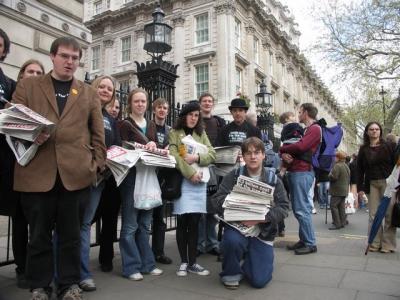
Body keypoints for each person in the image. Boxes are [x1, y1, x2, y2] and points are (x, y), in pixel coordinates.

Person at [12, 36, 106, 300]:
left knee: (71, 236)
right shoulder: (29, 86)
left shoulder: (87, 92)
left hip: (76, 176)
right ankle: (39, 285)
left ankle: (68, 284)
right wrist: (30, 135)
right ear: (52, 56)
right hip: (36, 173)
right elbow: (11, 124)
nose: (70, 62)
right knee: (38, 235)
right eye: (64, 56)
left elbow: (98, 135)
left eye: (75, 58)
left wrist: (95, 166)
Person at [212, 137, 289, 289]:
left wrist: (261, 218)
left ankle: (249, 259)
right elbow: (216, 200)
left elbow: (284, 207)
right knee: (231, 241)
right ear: (243, 156)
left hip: (263, 232)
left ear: (263, 155)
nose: (253, 157)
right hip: (237, 228)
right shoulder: (233, 176)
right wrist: (235, 205)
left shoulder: (274, 180)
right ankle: (231, 272)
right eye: (248, 153)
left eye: (257, 152)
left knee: (259, 281)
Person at [79, 75, 121, 291]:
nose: (105, 91)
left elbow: (113, 145)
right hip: (80, 175)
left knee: (84, 224)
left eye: (110, 89)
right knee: (71, 225)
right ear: (94, 87)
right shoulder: (82, 106)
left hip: (100, 179)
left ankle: (82, 273)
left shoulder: (108, 117)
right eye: (102, 86)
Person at [118, 88, 163, 280]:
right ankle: (131, 267)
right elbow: (120, 149)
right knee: (130, 225)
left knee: (145, 224)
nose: (140, 104)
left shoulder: (151, 124)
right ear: (130, 103)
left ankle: (147, 264)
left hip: (149, 177)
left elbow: (155, 146)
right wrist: (139, 148)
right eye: (136, 101)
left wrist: (155, 147)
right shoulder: (124, 124)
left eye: (143, 101)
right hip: (132, 177)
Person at [168, 101, 216, 277]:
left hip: (199, 184)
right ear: (184, 115)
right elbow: (174, 155)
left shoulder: (201, 133)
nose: (193, 118)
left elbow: (212, 154)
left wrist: (196, 156)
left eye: (196, 115)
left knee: (195, 223)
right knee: (182, 223)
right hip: (184, 182)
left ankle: (193, 263)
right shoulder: (174, 133)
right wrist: (190, 174)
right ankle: (183, 262)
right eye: (190, 114)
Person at [10, 59, 45, 289]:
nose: (34, 75)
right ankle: (22, 268)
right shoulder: (14, 100)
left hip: (39, 169)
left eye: (39, 72)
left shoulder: (42, 100)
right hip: (13, 168)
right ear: (21, 75)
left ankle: (34, 269)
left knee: (37, 225)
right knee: (20, 222)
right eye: (30, 71)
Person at [280, 103, 321, 255]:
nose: (298, 114)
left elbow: (300, 147)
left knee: (302, 209)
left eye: (300, 111)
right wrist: (284, 155)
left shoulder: (315, 129)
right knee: (299, 208)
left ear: (306, 112)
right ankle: (304, 240)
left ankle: (310, 243)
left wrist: (281, 149)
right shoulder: (306, 129)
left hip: (303, 172)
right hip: (296, 171)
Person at [357, 122, 397, 253]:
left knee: (389, 215)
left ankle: (388, 245)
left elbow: (397, 165)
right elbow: (359, 170)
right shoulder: (363, 149)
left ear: (380, 131)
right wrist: (359, 188)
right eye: (371, 129)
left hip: (389, 184)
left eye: (377, 129)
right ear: (367, 132)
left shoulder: (390, 146)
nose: (374, 131)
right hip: (372, 183)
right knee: (373, 215)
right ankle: (374, 243)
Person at [197, 93, 226, 257]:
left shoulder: (219, 122)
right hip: (199, 166)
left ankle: (212, 243)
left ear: (213, 104)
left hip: (216, 168)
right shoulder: (196, 121)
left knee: (213, 208)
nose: (207, 103)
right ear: (200, 104)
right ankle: (200, 244)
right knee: (200, 209)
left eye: (210, 101)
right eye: (204, 101)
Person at [150, 97, 173, 264]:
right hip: (147, 175)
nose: (162, 110)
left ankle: (158, 252)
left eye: (165, 108)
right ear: (154, 110)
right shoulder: (147, 127)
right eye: (159, 107)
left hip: (163, 178)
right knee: (144, 218)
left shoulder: (171, 131)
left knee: (159, 218)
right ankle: (143, 252)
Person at [328, 151, 350, 230]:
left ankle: (337, 223)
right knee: (341, 207)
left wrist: (330, 175)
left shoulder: (337, 166)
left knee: (333, 206)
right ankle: (342, 222)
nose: (334, 158)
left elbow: (334, 177)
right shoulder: (346, 165)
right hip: (344, 190)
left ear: (338, 158)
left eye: (335, 157)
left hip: (337, 190)